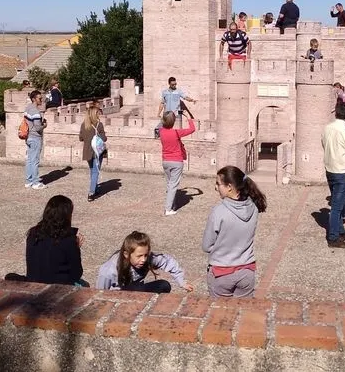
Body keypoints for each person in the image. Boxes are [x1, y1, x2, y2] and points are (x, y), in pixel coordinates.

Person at [202, 165, 268, 298]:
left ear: (229, 187)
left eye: (218, 183)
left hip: (221, 273)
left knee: (219, 314)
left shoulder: (219, 211)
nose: (216, 187)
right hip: (247, 271)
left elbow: (206, 245)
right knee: (242, 313)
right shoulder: (254, 206)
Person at [97, 231, 193, 293]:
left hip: (136, 290)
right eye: (139, 256)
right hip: (118, 296)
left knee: (164, 285)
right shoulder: (109, 270)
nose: (143, 259)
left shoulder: (148, 258)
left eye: (145, 255)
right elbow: (99, 294)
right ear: (126, 254)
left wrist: (182, 282)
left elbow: (168, 262)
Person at [321, 102, 345, 248]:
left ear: (335, 113)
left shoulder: (327, 128)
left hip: (330, 169)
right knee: (337, 207)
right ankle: (333, 237)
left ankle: (340, 231)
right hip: (343, 172)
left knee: (339, 203)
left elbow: (324, 144)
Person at [25, 195, 84, 285]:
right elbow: (76, 274)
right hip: (57, 286)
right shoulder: (68, 240)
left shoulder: (33, 233)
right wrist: (76, 247)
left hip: (34, 281)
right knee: (84, 285)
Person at [159, 110, 196, 215]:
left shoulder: (161, 131)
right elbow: (192, 129)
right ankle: (168, 209)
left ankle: (172, 205)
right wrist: (188, 116)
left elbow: (164, 121)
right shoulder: (176, 132)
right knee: (173, 185)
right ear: (174, 121)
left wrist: (170, 113)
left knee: (170, 184)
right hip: (176, 161)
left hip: (165, 161)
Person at [78, 106, 107, 201]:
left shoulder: (83, 124)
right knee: (95, 171)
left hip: (87, 151)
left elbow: (81, 138)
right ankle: (91, 192)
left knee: (92, 170)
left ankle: (95, 188)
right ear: (95, 114)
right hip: (97, 151)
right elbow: (104, 138)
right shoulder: (99, 125)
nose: (99, 114)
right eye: (98, 112)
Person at [23, 90, 47, 189]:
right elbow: (37, 127)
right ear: (34, 99)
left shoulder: (28, 108)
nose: (41, 100)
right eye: (39, 98)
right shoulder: (35, 111)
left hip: (28, 136)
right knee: (35, 160)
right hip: (35, 137)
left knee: (29, 160)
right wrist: (44, 125)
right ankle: (36, 183)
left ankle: (29, 181)